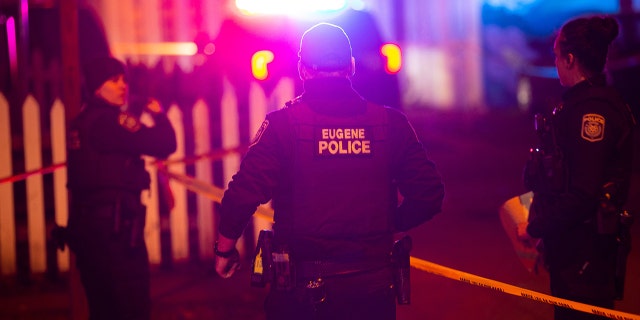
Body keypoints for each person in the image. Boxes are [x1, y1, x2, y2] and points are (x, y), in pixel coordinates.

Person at [214, 22, 445, 320]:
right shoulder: (390, 124)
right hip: (372, 290)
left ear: (303, 69)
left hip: (301, 292)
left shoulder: (283, 127)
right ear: (350, 67)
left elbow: (242, 193)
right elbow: (430, 195)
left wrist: (224, 251)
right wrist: (389, 223)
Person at [518, 16, 636, 320]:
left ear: (570, 59)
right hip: (574, 252)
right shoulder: (579, 104)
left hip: (587, 256)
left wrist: (534, 228)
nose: (555, 63)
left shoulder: (592, 112)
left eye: (557, 56)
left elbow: (584, 192)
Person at [65, 56, 177, 320]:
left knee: (102, 308)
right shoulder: (111, 122)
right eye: (113, 80)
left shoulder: (81, 122)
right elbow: (164, 143)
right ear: (96, 87)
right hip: (116, 236)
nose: (122, 86)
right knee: (131, 306)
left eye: (124, 80)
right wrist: (159, 116)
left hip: (88, 232)